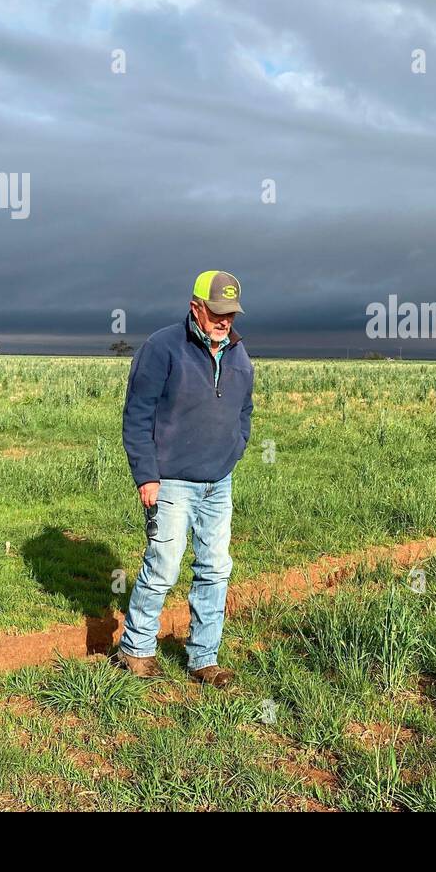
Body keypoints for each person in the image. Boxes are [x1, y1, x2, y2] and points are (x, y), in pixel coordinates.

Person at [116, 270, 253, 686]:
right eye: (217, 312)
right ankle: (136, 650)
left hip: (219, 482)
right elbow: (137, 416)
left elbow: (244, 411)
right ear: (196, 307)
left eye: (230, 313)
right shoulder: (162, 347)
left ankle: (203, 659)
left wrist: (233, 449)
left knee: (215, 569)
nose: (224, 321)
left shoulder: (239, 354)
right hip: (171, 481)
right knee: (163, 566)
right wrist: (147, 475)